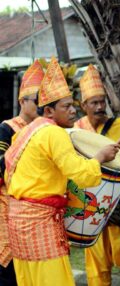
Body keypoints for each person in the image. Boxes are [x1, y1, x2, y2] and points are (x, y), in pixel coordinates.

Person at [4, 57, 120, 286]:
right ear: (48, 110)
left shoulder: (27, 131)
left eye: (73, 105)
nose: (72, 111)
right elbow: (82, 174)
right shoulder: (54, 133)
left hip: (19, 224)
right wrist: (100, 157)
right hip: (40, 223)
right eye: (66, 106)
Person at [75, 64, 120, 286]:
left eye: (103, 101)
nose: (100, 107)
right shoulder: (75, 130)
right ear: (83, 106)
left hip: (117, 203)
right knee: (96, 268)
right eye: (94, 103)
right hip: (89, 206)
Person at [0, 59, 44, 286]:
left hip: (37, 210)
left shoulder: (46, 130)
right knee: (9, 271)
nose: (41, 106)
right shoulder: (8, 128)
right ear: (22, 101)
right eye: (37, 101)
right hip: (10, 207)